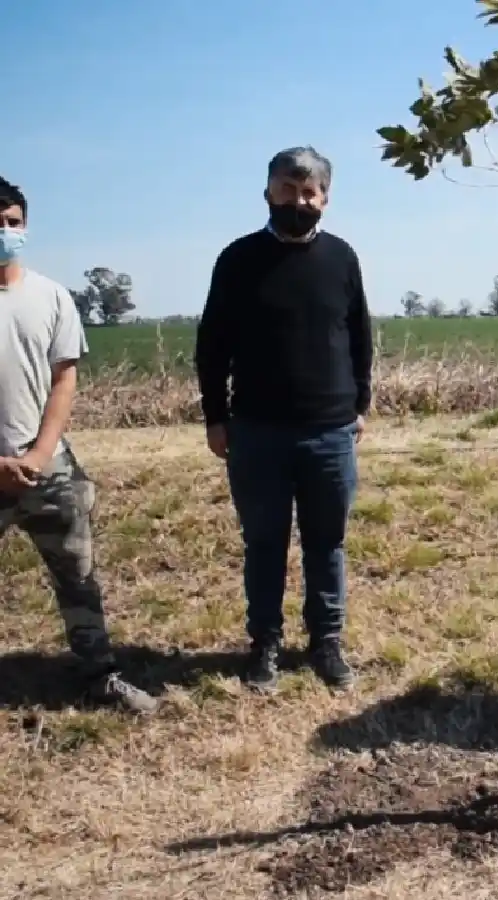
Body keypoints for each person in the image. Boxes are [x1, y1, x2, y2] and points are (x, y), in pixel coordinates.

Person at [194, 147, 373, 693]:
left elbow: (360, 338)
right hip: (256, 432)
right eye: (289, 191)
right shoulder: (238, 259)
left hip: (329, 432)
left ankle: (326, 642)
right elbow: (211, 347)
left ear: (325, 198)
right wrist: (216, 418)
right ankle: (264, 645)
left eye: (310, 193)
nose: (300, 202)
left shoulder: (342, 258)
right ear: (268, 192)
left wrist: (359, 406)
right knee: (265, 542)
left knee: (327, 542)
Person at [0, 177, 158, 714]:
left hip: (48, 468)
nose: (5, 231)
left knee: (79, 577)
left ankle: (100, 675)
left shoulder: (50, 297)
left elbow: (63, 380)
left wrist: (39, 456)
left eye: (13, 222)